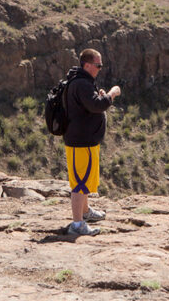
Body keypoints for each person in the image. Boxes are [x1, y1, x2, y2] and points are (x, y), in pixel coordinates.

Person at [63, 48, 121, 236]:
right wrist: (111, 95)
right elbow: (97, 106)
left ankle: (85, 212)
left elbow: (90, 104)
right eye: (98, 65)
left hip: (82, 140)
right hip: (82, 141)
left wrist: (100, 95)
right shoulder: (82, 83)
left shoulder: (80, 81)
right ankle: (77, 224)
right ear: (87, 65)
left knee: (85, 178)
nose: (100, 68)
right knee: (80, 182)